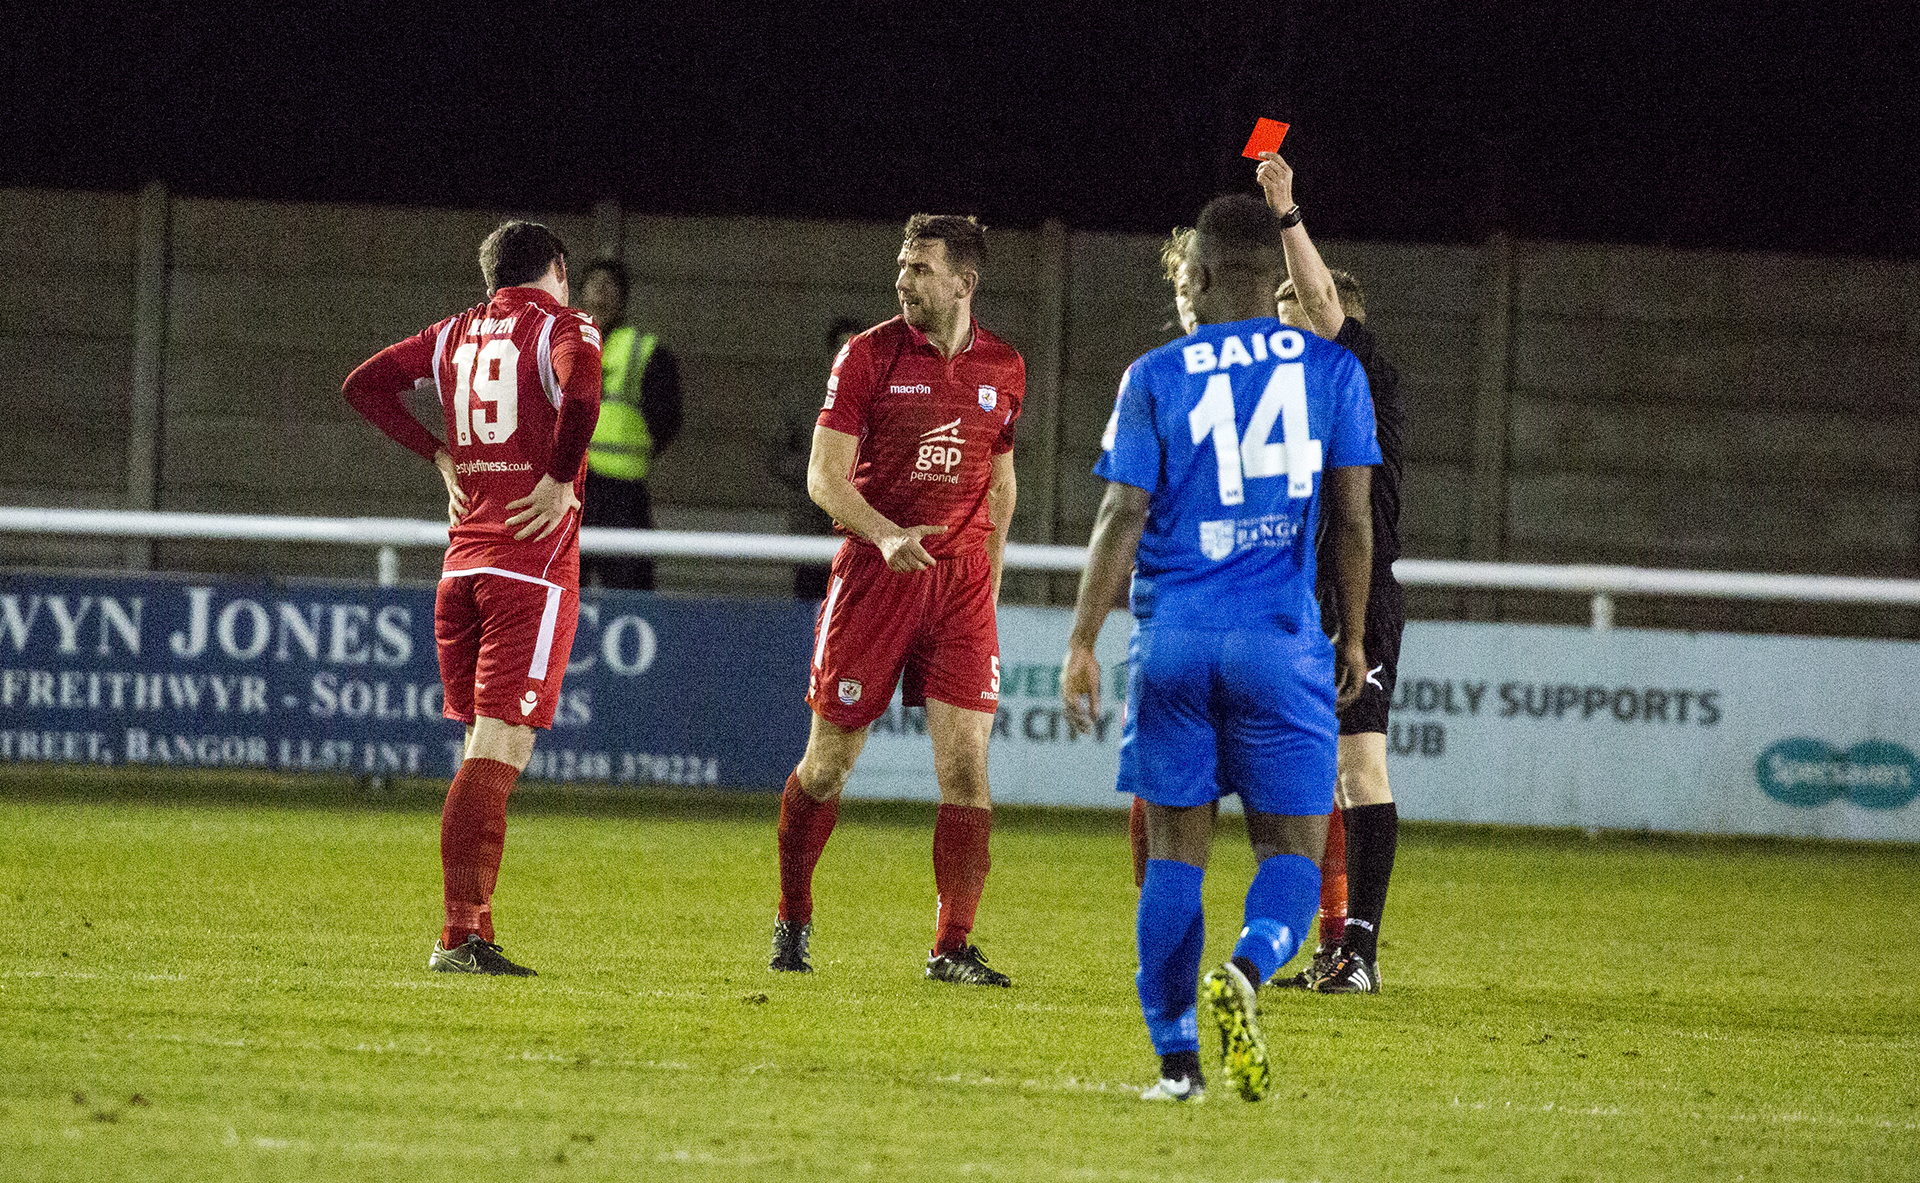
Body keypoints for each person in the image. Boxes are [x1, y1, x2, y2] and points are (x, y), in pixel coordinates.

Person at [1061, 194, 1378, 1101]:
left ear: (1194, 278)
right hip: (1280, 642)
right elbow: (1352, 520)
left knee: (1173, 855)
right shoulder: (1332, 369)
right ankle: (1248, 967)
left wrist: (1083, 639)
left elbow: (1122, 513)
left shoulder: (1154, 374)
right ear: (1271, 278)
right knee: (1292, 850)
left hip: (1174, 642)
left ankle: (1177, 1062)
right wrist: (1352, 632)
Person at [766, 214, 1024, 987]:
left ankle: (951, 945)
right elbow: (824, 478)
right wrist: (881, 535)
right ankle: (794, 914)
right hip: (877, 577)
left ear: (963, 282)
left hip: (961, 586)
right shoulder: (867, 356)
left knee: (967, 771)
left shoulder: (1005, 366)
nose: (903, 279)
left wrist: (991, 580)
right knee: (827, 766)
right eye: (902, 265)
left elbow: (1001, 484)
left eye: (919, 267)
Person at [342, 220, 602, 976]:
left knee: (479, 747)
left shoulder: (454, 332)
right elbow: (583, 388)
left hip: (462, 568)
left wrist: (437, 452)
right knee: (498, 750)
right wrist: (559, 476)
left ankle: (472, 927)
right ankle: (458, 936)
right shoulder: (562, 323)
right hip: (529, 566)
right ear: (557, 267)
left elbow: (364, 385)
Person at [1257, 150, 1408, 996]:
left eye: (1297, 312)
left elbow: (1317, 298)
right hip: (1292, 597)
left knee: (1360, 768)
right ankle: (1325, 945)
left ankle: (1362, 952)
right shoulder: (1292, 400)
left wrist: (1284, 210)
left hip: (1359, 595)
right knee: (1301, 774)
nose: (1284, 328)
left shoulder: (1362, 371)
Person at [576, 258, 682, 591]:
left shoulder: (646, 351)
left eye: (610, 287)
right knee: (562, 592)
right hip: (572, 491)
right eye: (595, 286)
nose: (602, 295)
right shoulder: (564, 348)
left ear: (623, 299)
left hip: (624, 494)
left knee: (630, 588)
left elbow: (667, 419)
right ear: (581, 295)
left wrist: (635, 449)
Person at [769, 317, 864, 599]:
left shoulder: (882, 397)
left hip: (862, 528)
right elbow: (776, 455)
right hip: (811, 524)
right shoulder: (802, 399)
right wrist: (819, 471)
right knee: (810, 598)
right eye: (842, 348)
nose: (849, 356)